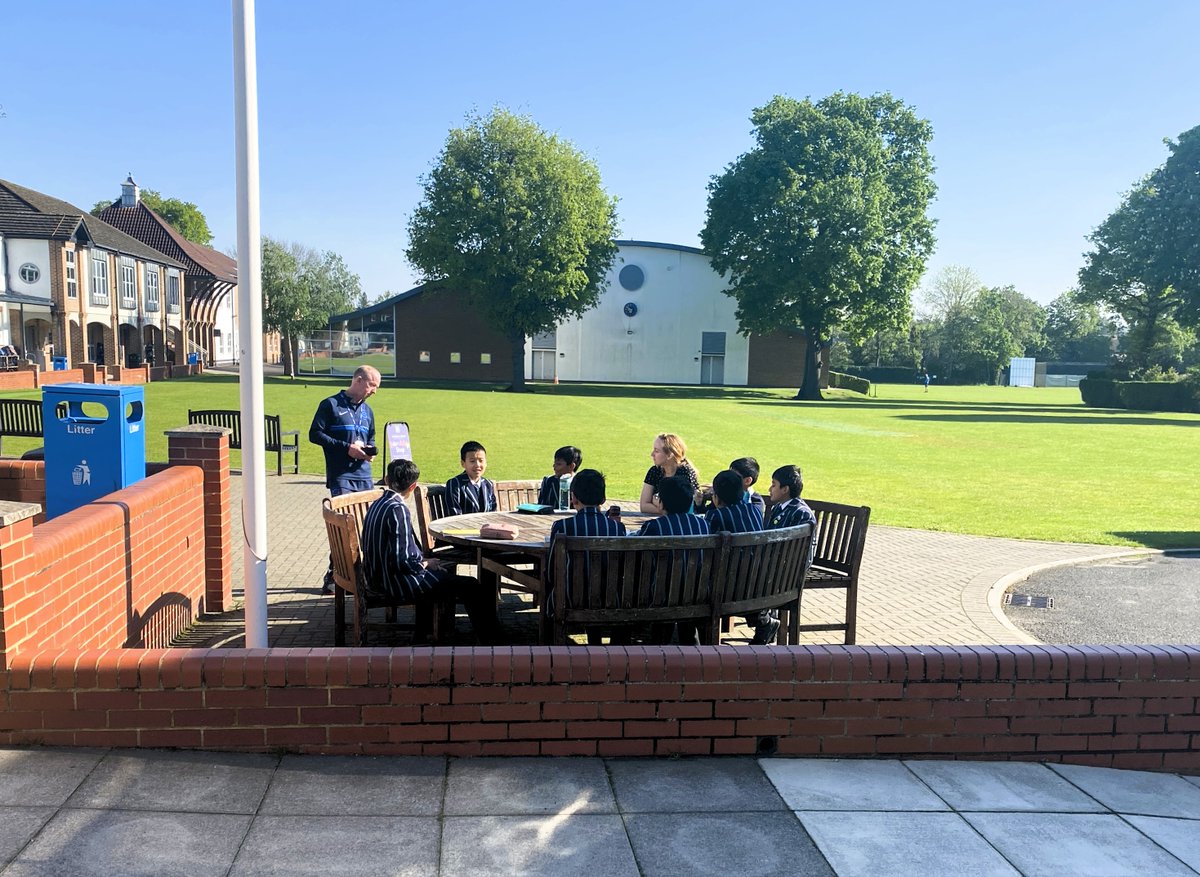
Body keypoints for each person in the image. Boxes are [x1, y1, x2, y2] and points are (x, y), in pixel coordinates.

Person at [361, 459, 505, 645]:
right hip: (394, 581)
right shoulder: (397, 510)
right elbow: (402, 561)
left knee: (446, 576)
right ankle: (493, 640)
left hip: (375, 575)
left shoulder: (377, 503)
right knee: (471, 585)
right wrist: (426, 563)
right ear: (413, 486)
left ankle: (428, 630)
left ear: (387, 479)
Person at [310, 365, 380, 592]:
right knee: (344, 527)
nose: (374, 391)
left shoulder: (368, 411)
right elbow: (315, 434)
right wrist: (345, 448)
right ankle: (335, 576)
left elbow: (370, 436)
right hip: (341, 475)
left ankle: (359, 576)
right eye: (372, 385)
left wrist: (368, 451)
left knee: (364, 528)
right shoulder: (330, 405)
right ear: (358, 381)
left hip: (364, 476)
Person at [706, 469, 781, 644]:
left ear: (716, 497)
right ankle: (763, 621)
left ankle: (699, 637)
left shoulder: (715, 516)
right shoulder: (754, 510)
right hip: (760, 582)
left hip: (728, 587)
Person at [639, 432, 701, 513]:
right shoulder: (654, 471)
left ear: (670, 455)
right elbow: (644, 506)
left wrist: (658, 504)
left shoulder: (685, 472)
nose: (652, 454)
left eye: (656, 451)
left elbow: (683, 508)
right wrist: (665, 509)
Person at [445, 440, 496, 515]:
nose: (477, 465)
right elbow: (454, 515)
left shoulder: (488, 484)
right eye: (472, 461)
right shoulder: (455, 484)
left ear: (486, 463)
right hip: (463, 526)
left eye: (481, 460)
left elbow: (493, 512)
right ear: (463, 463)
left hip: (487, 525)